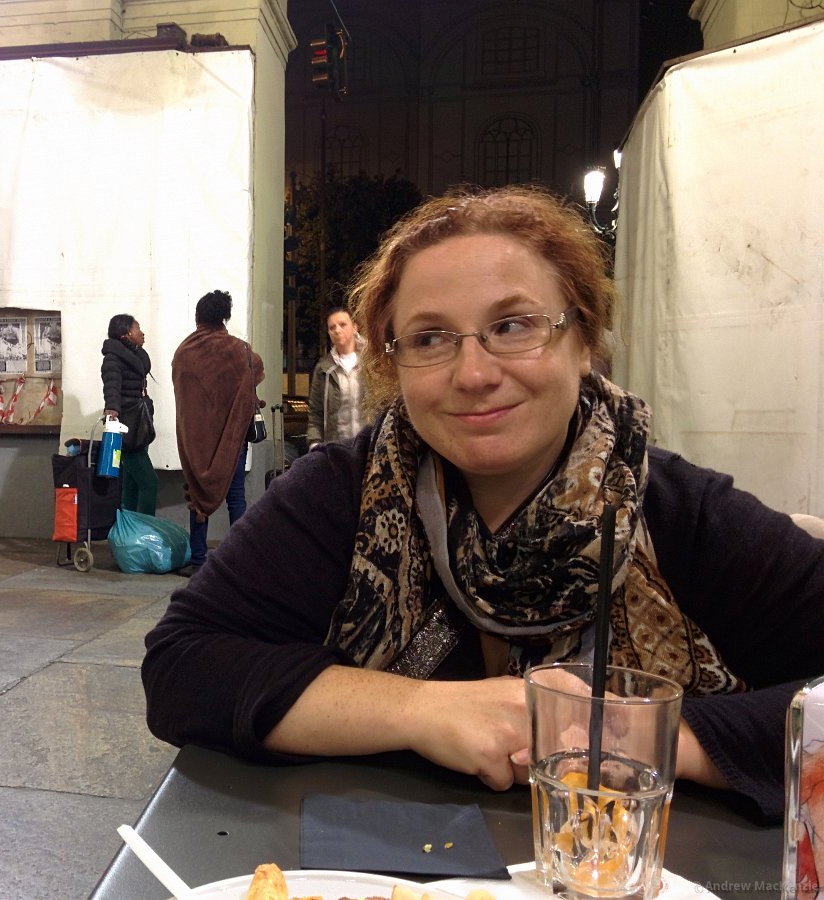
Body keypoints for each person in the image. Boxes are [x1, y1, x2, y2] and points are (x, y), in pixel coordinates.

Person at [143, 186, 824, 821]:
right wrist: (419, 709)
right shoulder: (338, 494)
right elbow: (182, 666)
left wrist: (640, 738)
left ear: (584, 342)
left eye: (514, 325)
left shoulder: (678, 512)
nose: (473, 373)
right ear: (393, 362)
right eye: (430, 338)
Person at [172, 289, 265, 571]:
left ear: (198, 316)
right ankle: (238, 561)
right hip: (231, 442)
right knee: (236, 497)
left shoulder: (183, 352)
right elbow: (257, 369)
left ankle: (198, 561)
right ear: (225, 317)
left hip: (196, 442)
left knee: (197, 497)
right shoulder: (240, 351)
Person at [101, 314, 158, 515]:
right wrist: (112, 411)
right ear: (126, 333)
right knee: (150, 483)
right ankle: (145, 528)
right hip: (127, 428)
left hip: (138, 424)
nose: (142, 333)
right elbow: (112, 386)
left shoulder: (132, 355)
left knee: (131, 484)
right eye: (137, 328)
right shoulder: (113, 358)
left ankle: (129, 529)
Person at [307, 304, 367, 448]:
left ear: (354, 327)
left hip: (369, 446)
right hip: (337, 447)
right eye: (332, 327)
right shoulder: (324, 368)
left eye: (342, 324)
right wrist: (314, 443)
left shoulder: (371, 361)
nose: (337, 330)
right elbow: (315, 412)